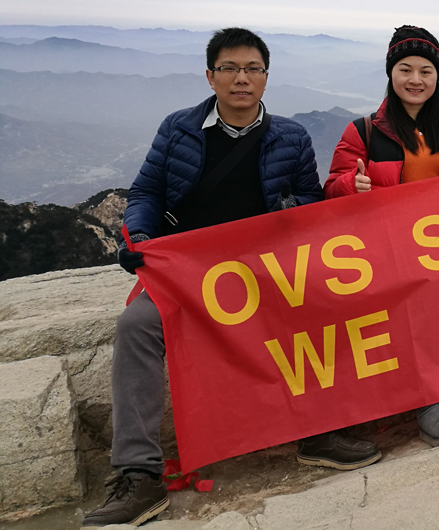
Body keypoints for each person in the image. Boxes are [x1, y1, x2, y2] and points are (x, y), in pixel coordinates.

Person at [83, 28, 355, 527]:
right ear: (210, 76)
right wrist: (139, 238)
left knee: (323, 307)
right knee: (136, 328)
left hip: (263, 270)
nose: (241, 78)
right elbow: (146, 191)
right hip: (189, 273)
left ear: (267, 79)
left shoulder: (289, 137)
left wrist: (284, 211)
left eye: (253, 69)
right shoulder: (179, 130)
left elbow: (311, 204)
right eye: (229, 68)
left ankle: (319, 430)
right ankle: (139, 474)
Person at [325, 25, 439, 447]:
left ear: (437, 76)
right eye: (405, 69)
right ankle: (431, 399)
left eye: (426, 71)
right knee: (414, 311)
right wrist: (351, 187)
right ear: (390, 73)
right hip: (393, 252)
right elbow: (332, 187)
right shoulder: (364, 131)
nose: (415, 80)